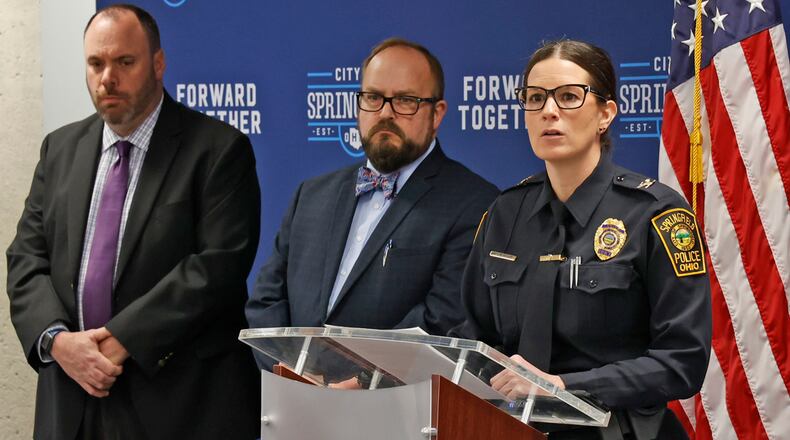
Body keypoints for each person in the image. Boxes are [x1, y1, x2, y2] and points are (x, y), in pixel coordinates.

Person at [6, 5, 260, 439]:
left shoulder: (218, 150)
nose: (108, 77)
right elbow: (27, 259)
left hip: (179, 404)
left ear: (158, 64)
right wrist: (59, 342)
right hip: (71, 401)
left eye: (125, 62)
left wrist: (120, 340)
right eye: (96, 63)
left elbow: (217, 267)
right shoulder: (59, 149)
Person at [452, 39, 711, 440]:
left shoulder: (655, 213)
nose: (549, 111)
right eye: (535, 98)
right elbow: (473, 333)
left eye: (569, 96)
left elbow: (683, 361)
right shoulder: (506, 211)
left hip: (617, 431)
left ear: (605, 114)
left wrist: (564, 388)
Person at [245, 38, 498, 361]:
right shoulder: (311, 195)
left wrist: (352, 377)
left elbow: (442, 321)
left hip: (395, 404)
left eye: (406, 100)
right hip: (294, 398)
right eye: (373, 98)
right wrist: (293, 371)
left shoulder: (475, 203)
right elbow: (266, 302)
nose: (385, 113)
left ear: (437, 114)